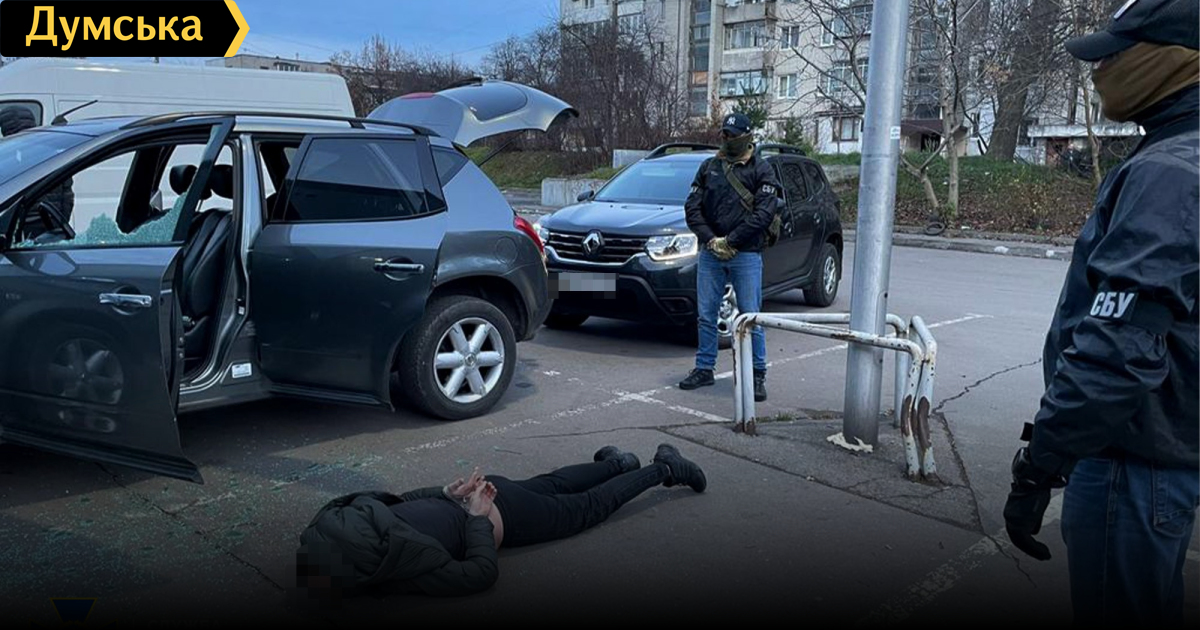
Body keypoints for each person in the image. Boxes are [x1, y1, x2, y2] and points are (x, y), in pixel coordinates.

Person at [1002, 0, 1199, 627]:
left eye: (1115, 55)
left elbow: (1120, 346)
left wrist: (1041, 461)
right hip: (1161, 457)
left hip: (1129, 462)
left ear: (1171, 63)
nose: (1099, 71)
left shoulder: (1169, 173)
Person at [293, 443, 707, 605]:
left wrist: (470, 511)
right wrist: (450, 495)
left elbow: (478, 574)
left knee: (584, 508)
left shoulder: (395, 562)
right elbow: (402, 502)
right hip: (485, 496)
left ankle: (664, 469)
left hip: (493, 510)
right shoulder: (347, 517)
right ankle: (618, 464)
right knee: (551, 484)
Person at [679, 111, 781, 402]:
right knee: (706, 315)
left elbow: (764, 213)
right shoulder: (709, 167)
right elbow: (692, 208)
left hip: (746, 252)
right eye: (724, 134)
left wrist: (732, 241)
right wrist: (712, 240)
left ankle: (757, 374)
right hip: (712, 251)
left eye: (733, 135)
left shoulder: (762, 170)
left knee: (750, 316)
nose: (727, 138)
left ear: (746, 137)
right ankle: (704, 368)